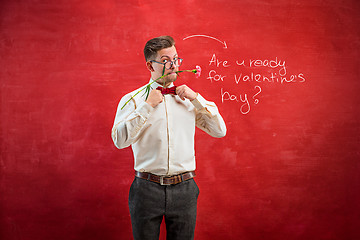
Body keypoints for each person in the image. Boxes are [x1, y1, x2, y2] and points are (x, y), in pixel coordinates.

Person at [111, 35, 226, 240]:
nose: (173, 65)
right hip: (146, 189)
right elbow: (120, 141)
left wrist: (197, 99)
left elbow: (219, 131)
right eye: (165, 61)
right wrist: (147, 107)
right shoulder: (133, 100)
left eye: (176, 59)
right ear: (150, 65)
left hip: (185, 189)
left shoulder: (188, 100)